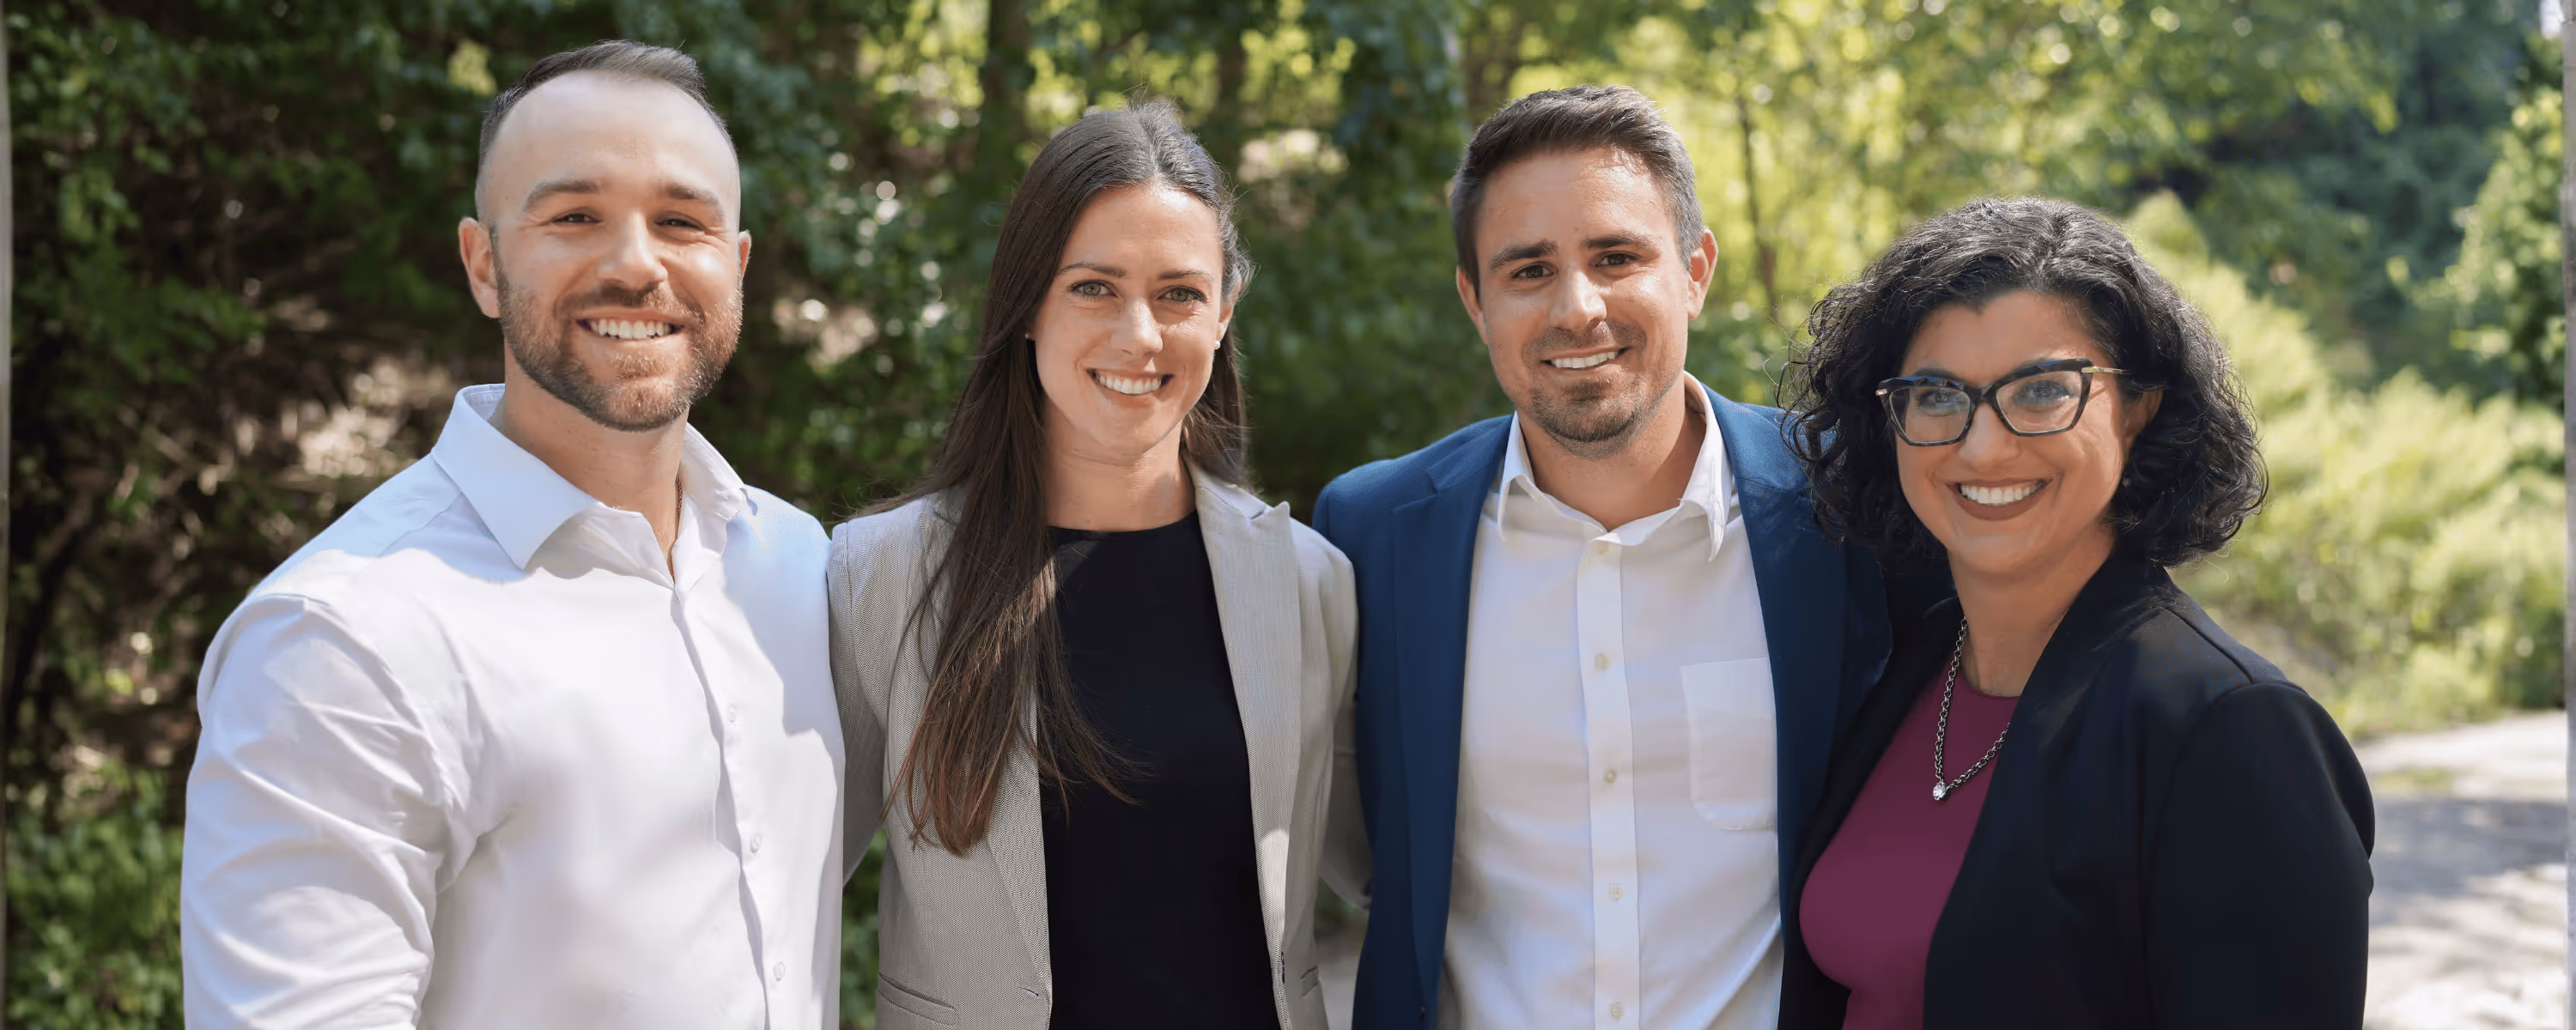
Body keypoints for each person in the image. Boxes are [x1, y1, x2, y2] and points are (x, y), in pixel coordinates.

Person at [179, 41, 843, 1028]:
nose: (636, 262)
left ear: (735, 265)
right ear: (485, 265)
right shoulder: (340, 640)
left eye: (682, 222)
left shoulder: (801, 567)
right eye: (575, 216)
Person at [1313, 85, 1891, 1030]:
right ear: (1475, 300)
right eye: (1528, 270)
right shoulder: (1373, 531)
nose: (1578, 309)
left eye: (1616, 257)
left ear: (1695, 269)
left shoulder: (1853, 506)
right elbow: (1359, 848)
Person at [825, 100, 1362, 1030]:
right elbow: (771, 882)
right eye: (1094, 288)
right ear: (1028, 305)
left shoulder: (1309, 582)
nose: (1139, 335)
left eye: (1179, 294)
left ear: (1224, 315)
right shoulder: (881, 576)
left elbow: (1390, 867)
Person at [1777, 197, 2373, 1029]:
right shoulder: (1905, 667)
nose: (1982, 446)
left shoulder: (2232, 731)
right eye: (1937, 395)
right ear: (1889, 420)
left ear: (2139, 407)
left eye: (2043, 390)